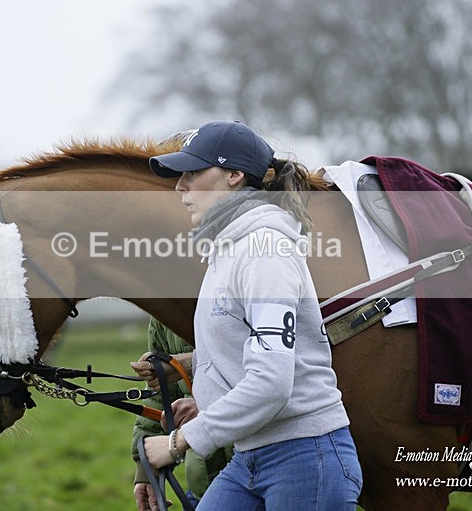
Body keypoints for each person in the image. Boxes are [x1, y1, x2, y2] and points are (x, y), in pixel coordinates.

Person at [143, 120, 362, 509]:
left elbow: (272, 383)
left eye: (193, 173)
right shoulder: (226, 250)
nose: (180, 187)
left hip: (304, 457)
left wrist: (179, 443)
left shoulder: (264, 251)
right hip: (250, 456)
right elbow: (253, 347)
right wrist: (197, 381)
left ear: (234, 175)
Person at [130, 317, 232, 510]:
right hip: (201, 486)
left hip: (259, 475)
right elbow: (161, 395)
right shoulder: (163, 311)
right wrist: (147, 469)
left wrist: (207, 405)